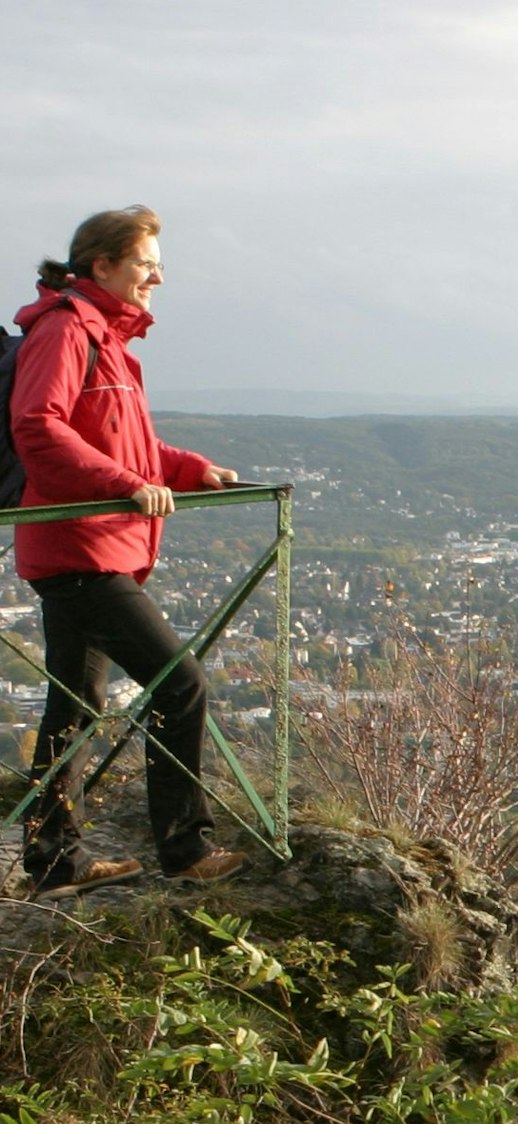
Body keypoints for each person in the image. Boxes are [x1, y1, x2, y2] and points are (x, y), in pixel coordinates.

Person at [10, 205, 246, 899]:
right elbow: (38, 427)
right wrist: (127, 485)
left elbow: (129, 448)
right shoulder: (65, 331)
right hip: (80, 549)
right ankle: (186, 848)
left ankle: (55, 862)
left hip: (87, 547)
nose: (158, 278)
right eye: (147, 264)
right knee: (180, 682)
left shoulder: (105, 341)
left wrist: (186, 469)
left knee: (74, 706)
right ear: (103, 264)